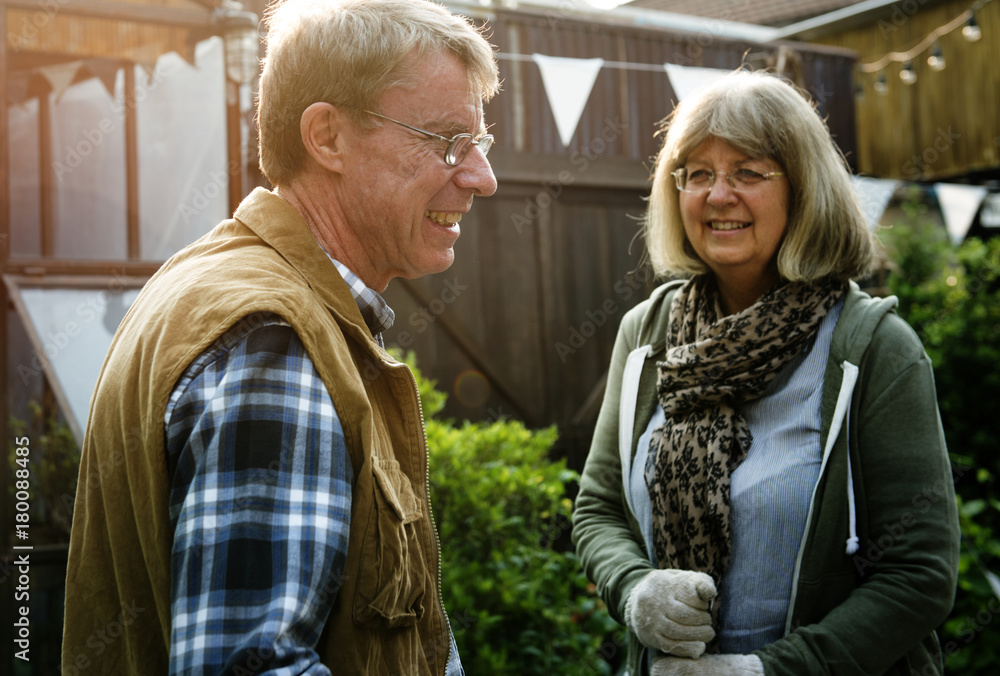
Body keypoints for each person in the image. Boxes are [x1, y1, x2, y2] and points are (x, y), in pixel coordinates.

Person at [61, 0, 499, 673]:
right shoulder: (273, 339)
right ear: (326, 138)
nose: (481, 177)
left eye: (480, 144)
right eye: (446, 140)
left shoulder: (221, 282)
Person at [571, 69, 959, 676]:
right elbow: (597, 508)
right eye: (698, 173)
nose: (718, 195)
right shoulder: (645, 336)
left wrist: (764, 672)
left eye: (748, 172)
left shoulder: (875, 349)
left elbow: (920, 576)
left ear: (802, 189)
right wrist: (635, 590)